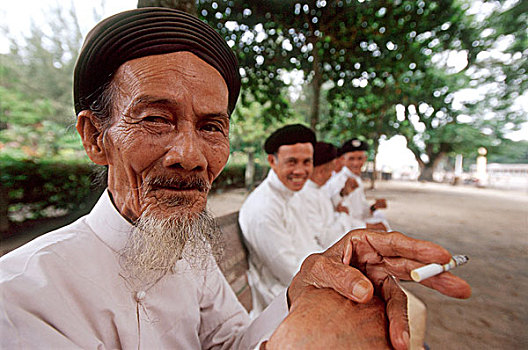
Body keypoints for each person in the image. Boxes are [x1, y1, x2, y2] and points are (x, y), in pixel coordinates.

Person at [0, 8, 471, 350]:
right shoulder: (20, 295)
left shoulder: (191, 247)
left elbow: (229, 341)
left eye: (210, 127)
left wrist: (302, 295)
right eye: (156, 120)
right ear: (95, 137)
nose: (190, 156)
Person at [239, 124, 325, 314]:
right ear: (272, 161)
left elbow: (311, 245)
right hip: (283, 303)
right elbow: (291, 274)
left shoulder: (294, 194)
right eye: (292, 162)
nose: (301, 171)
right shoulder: (263, 209)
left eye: (306, 162)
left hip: (309, 287)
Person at [296, 141, 352, 248]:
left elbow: (328, 221)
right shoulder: (306, 195)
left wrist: (338, 213)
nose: (331, 175)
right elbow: (327, 239)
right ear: (321, 172)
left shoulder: (320, 189)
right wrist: (344, 216)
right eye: (330, 171)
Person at [325, 138, 390, 231]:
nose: (356, 163)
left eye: (360, 158)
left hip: (358, 227)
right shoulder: (336, 182)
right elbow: (339, 218)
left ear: (365, 159)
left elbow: (360, 212)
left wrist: (374, 207)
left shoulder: (357, 180)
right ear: (343, 159)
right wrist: (369, 226)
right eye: (351, 159)